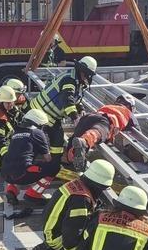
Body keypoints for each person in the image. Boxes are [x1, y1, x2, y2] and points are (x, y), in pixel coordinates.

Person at [28, 56, 98, 203]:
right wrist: (75, 118)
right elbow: (68, 99)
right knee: (33, 152)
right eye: (87, 73)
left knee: (56, 150)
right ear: (81, 71)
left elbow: (75, 100)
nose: (87, 77)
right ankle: (32, 186)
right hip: (40, 117)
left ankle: (52, 166)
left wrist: (81, 110)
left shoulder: (75, 80)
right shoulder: (69, 80)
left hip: (51, 119)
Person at [30, 159, 115, 250]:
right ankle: (59, 249)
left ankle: (54, 246)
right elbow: (72, 230)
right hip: (59, 238)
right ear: (98, 184)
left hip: (52, 230)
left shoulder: (76, 184)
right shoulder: (82, 199)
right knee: (99, 232)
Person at [1, 109, 61, 205]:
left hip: (5, 172)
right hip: (23, 173)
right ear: (39, 124)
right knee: (54, 167)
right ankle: (33, 195)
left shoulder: (16, 132)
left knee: (16, 165)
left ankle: (11, 191)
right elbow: (48, 158)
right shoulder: (37, 133)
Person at [67, 94, 138, 171]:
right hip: (105, 121)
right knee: (96, 133)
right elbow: (136, 128)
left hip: (88, 118)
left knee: (74, 143)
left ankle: (69, 159)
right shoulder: (127, 112)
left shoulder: (108, 106)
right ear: (130, 107)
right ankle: (84, 141)